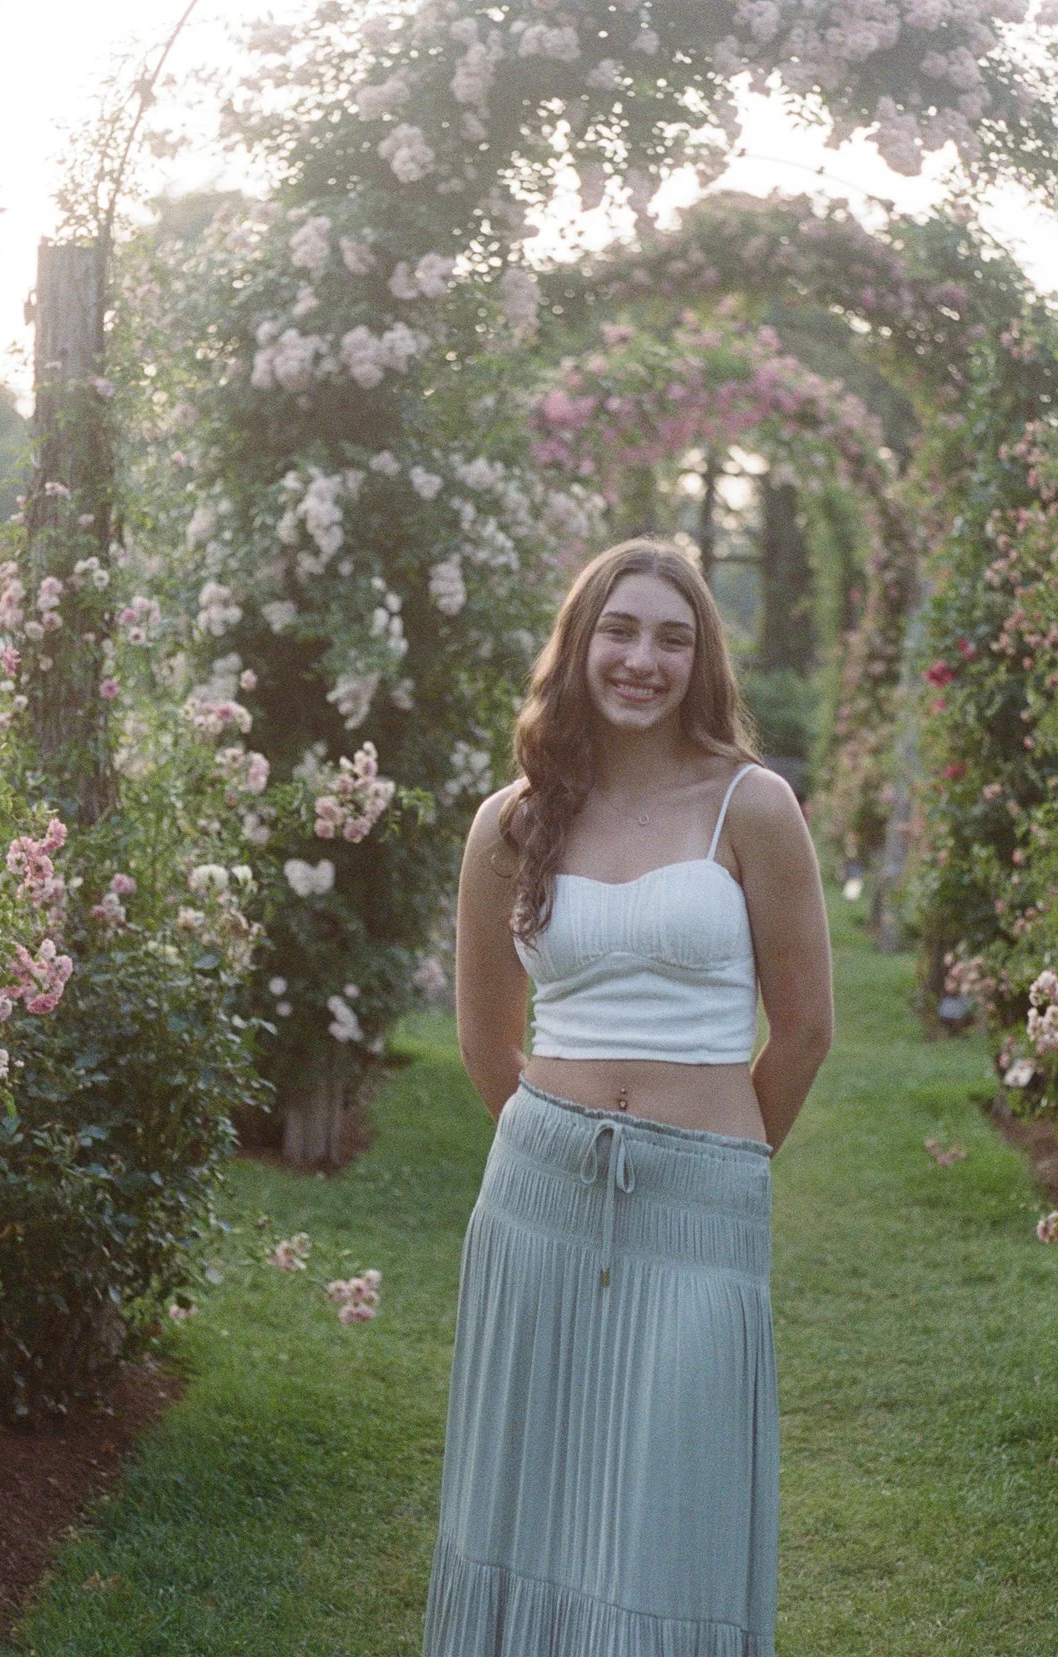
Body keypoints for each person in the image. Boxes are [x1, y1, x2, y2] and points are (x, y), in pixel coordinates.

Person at [424, 538, 834, 1655]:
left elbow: (803, 1031)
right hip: (537, 1195)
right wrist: (557, 1146)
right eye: (619, 629)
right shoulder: (511, 822)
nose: (641, 659)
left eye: (670, 635)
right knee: (529, 1495)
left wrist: (717, 1158)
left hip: (701, 1194)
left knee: (672, 1508)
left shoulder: (752, 806)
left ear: (700, 658)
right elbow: (484, 1043)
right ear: (578, 645)